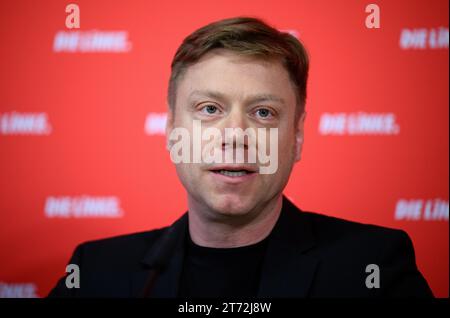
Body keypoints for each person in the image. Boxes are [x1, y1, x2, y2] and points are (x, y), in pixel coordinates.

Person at [48, 16, 433, 298]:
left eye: (263, 113)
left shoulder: (373, 266)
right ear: (171, 131)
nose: (235, 135)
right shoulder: (95, 271)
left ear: (296, 137)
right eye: (210, 109)